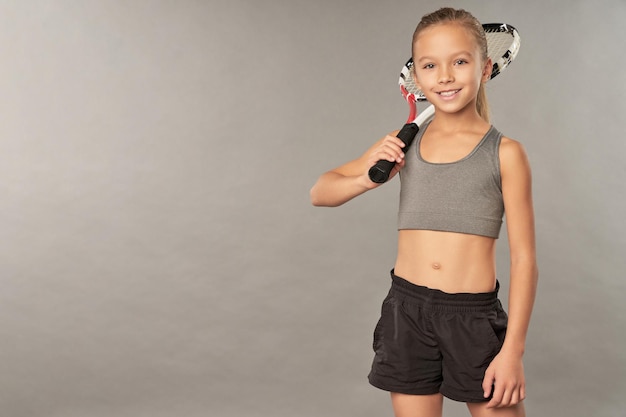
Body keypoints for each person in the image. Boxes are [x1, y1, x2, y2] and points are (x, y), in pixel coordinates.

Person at [310, 7, 538, 417]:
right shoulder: (403, 143)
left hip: (471, 318)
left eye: (460, 62)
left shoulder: (506, 154)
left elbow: (524, 260)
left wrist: (513, 351)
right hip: (407, 311)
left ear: (485, 69)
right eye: (430, 65)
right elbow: (320, 191)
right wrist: (367, 179)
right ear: (416, 77)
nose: (445, 76)